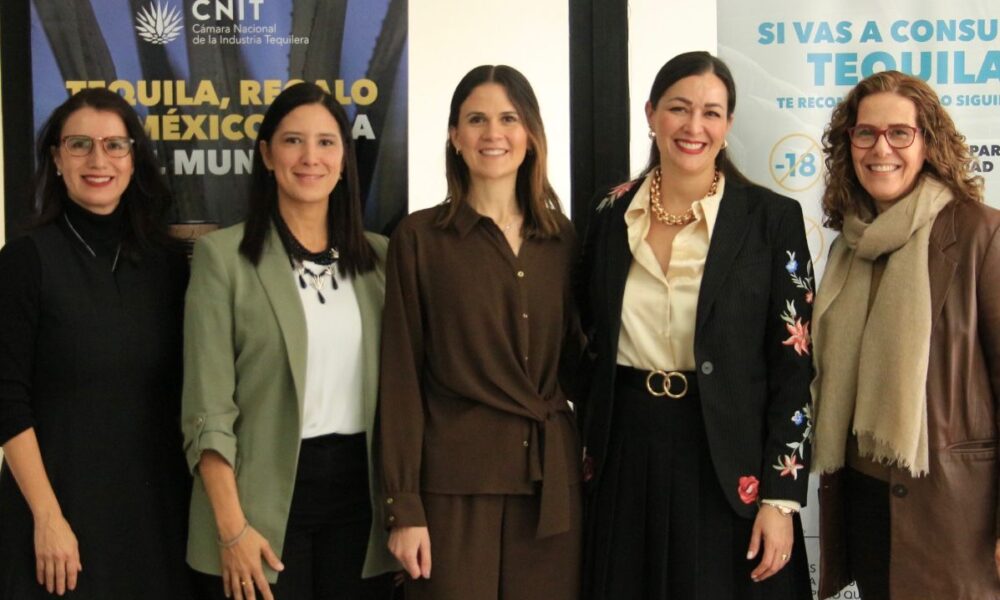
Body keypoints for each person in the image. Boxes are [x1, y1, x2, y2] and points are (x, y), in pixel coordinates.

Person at [577, 51, 814, 599]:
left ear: (727, 125)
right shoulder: (608, 214)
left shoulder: (770, 220)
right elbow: (583, 338)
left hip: (728, 462)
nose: (694, 126)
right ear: (651, 114)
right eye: (679, 108)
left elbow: (794, 368)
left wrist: (780, 499)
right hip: (626, 453)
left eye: (711, 113)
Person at [183, 82, 397, 600]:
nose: (310, 157)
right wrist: (231, 528)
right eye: (293, 141)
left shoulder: (382, 260)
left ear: (344, 160)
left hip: (362, 509)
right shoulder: (222, 258)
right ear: (266, 155)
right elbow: (208, 411)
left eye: (326, 142)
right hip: (257, 509)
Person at [378, 64, 584, 600]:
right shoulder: (418, 238)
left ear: (531, 133)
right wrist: (404, 506)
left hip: (549, 484)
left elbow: (579, 363)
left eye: (509, 118)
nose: (493, 133)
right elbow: (400, 381)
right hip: (453, 487)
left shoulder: (562, 240)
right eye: (476, 119)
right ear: (455, 136)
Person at [812, 70, 1000, 600]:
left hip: (954, 513)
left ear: (928, 143)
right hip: (864, 506)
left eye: (900, 133)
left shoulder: (980, 234)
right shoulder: (847, 247)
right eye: (865, 133)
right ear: (849, 144)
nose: (881, 149)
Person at [0, 88, 192, 598]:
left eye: (114, 145)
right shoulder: (25, 260)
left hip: (155, 519)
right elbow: (7, 399)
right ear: (56, 159)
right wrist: (47, 518)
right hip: (58, 521)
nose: (98, 160)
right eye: (80, 144)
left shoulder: (168, 264)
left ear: (134, 159)